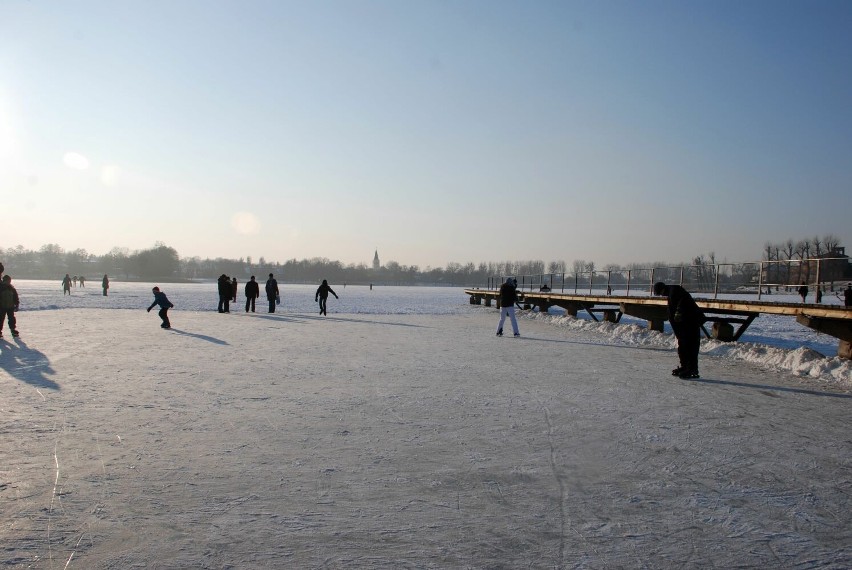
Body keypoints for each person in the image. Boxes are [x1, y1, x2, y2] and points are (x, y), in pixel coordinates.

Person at [653, 282, 706, 379]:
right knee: (683, 346)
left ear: (662, 289)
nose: (661, 295)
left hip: (691, 323)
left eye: (660, 293)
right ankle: (685, 366)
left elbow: (683, 302)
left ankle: (692, 369)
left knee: (691, 347)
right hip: (683, 326)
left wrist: (679, 311)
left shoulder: (675, 290)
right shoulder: (671, 293)